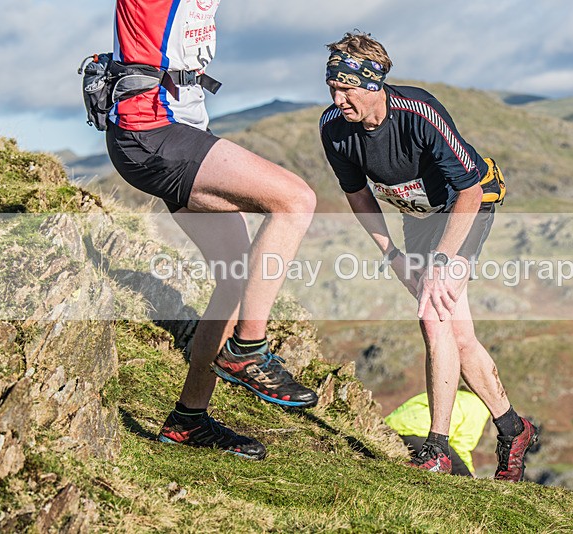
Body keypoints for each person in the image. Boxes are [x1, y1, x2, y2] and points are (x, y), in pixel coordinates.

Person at [319, 32, 538, 481]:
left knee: (433, 313)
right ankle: (513, 429)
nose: (338, 98)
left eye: (347, 88)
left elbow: (470, 190)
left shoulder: (419, 112)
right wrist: (392, 255)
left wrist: (440, 262)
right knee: (459, 336)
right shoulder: (333, 128)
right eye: (332, 88)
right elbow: (358, 195)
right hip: (418, 221)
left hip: (468, 207)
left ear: (374, 82)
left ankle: (436, 449)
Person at [106, 0, 318, 461]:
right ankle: (249, 349)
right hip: (151, 132)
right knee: (295, 200)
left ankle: (188, 420)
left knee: (237, 277)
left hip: (176, 133)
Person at [385, 391, 489, 477]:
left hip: (392, 425)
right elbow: (461, 446)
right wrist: (470, 472)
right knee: (464, 476)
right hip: (418, 433)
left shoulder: (450, 392)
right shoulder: (479, 407)